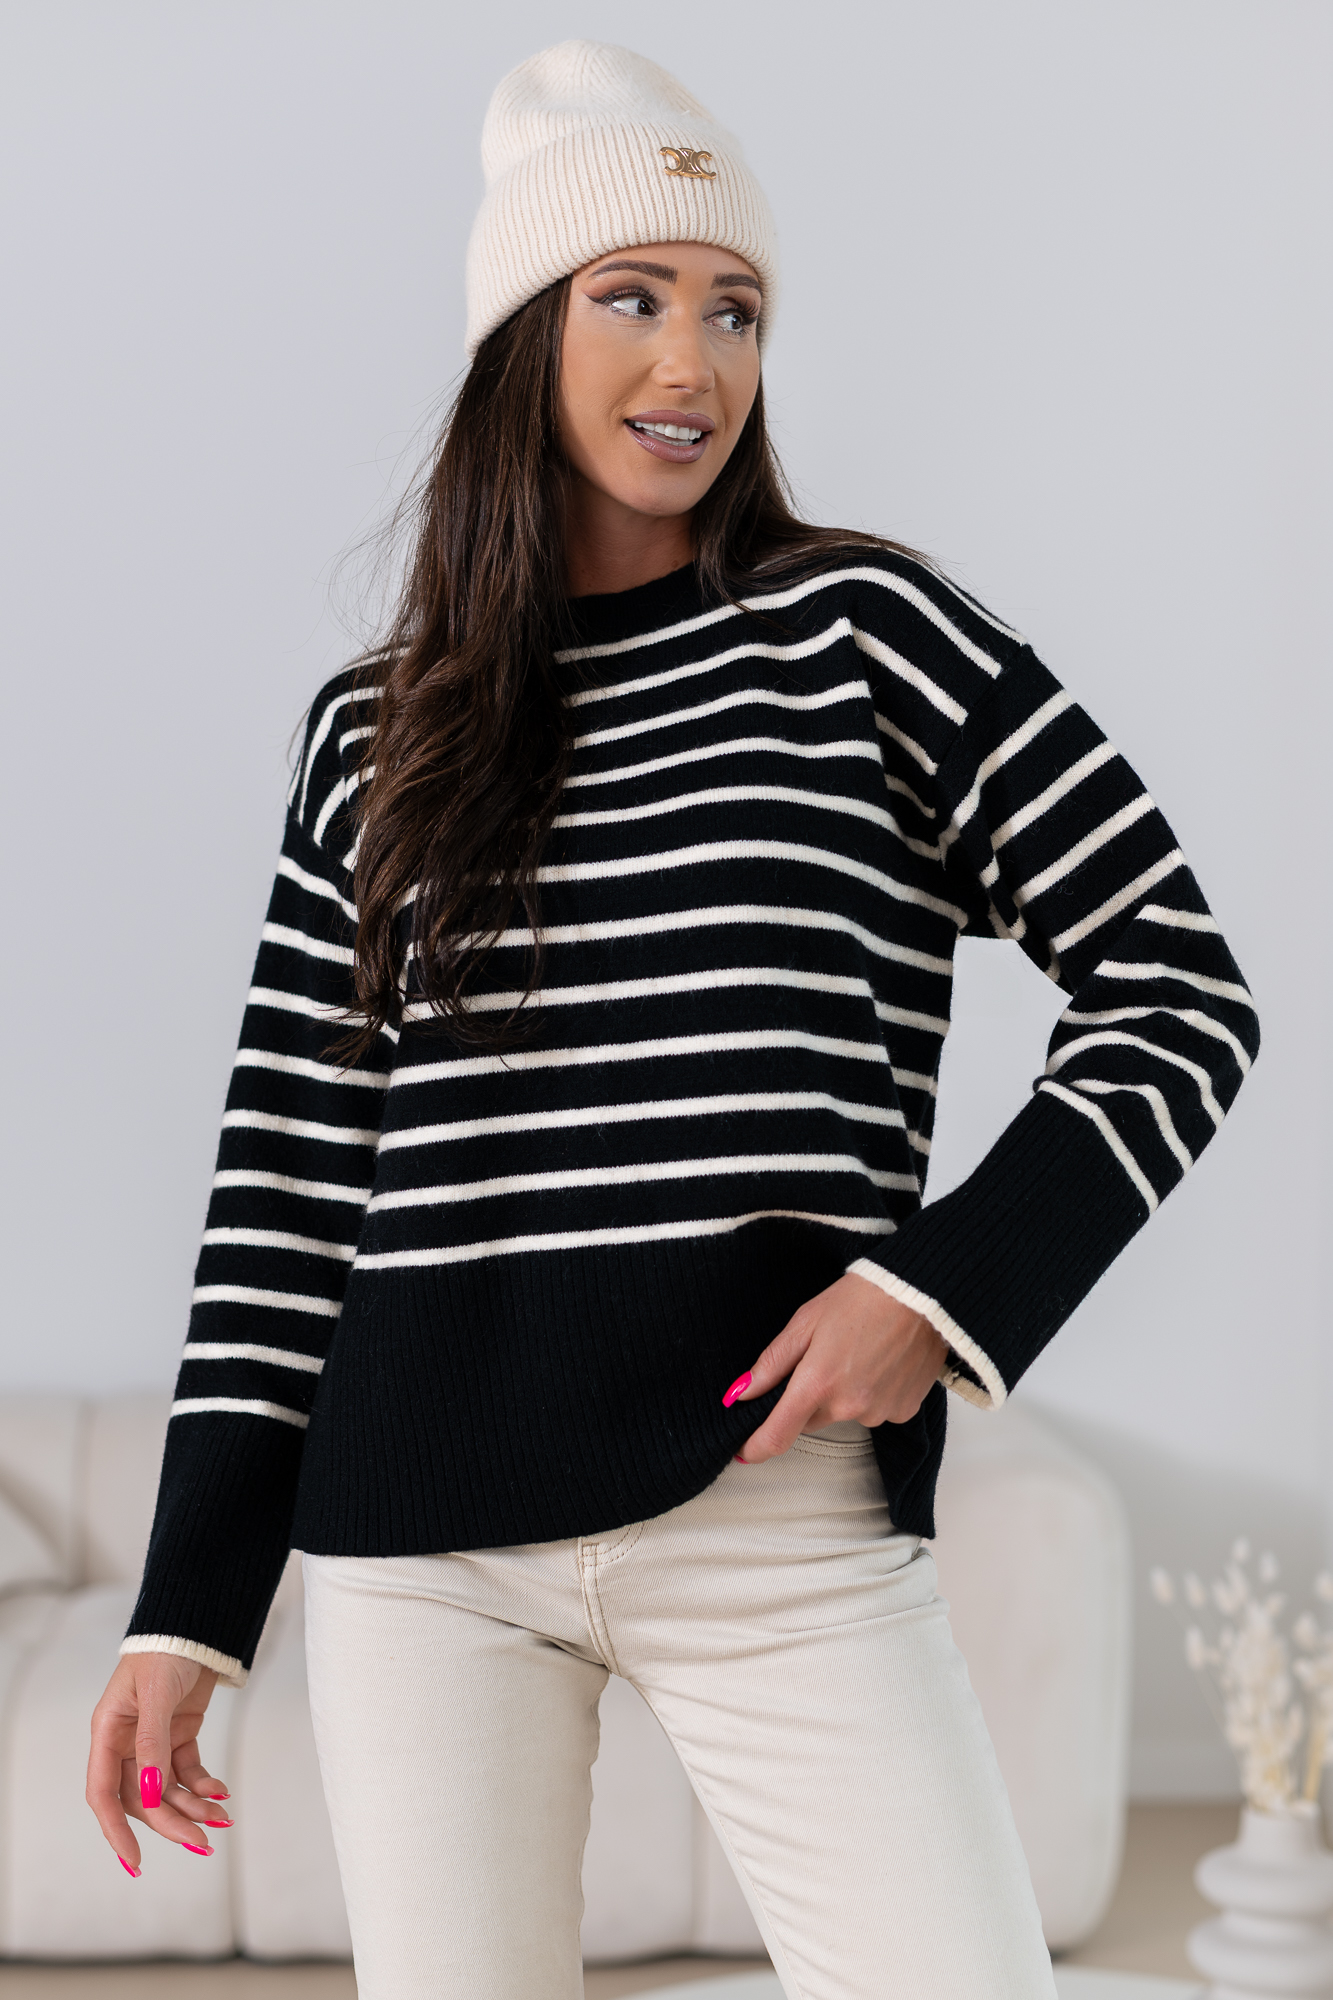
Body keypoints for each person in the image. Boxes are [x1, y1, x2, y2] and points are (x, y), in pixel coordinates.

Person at [86, 39, 1258, 2000]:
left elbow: (1175, 984)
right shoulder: (374, 732)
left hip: (769, 1504)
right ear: (522, 335)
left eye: (734, 310)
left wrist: (938, 1288)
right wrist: (188, 1606)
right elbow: (287, 1177)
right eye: (630, 298)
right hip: (420, 1545)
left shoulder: (869, 641)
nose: (691, 363)